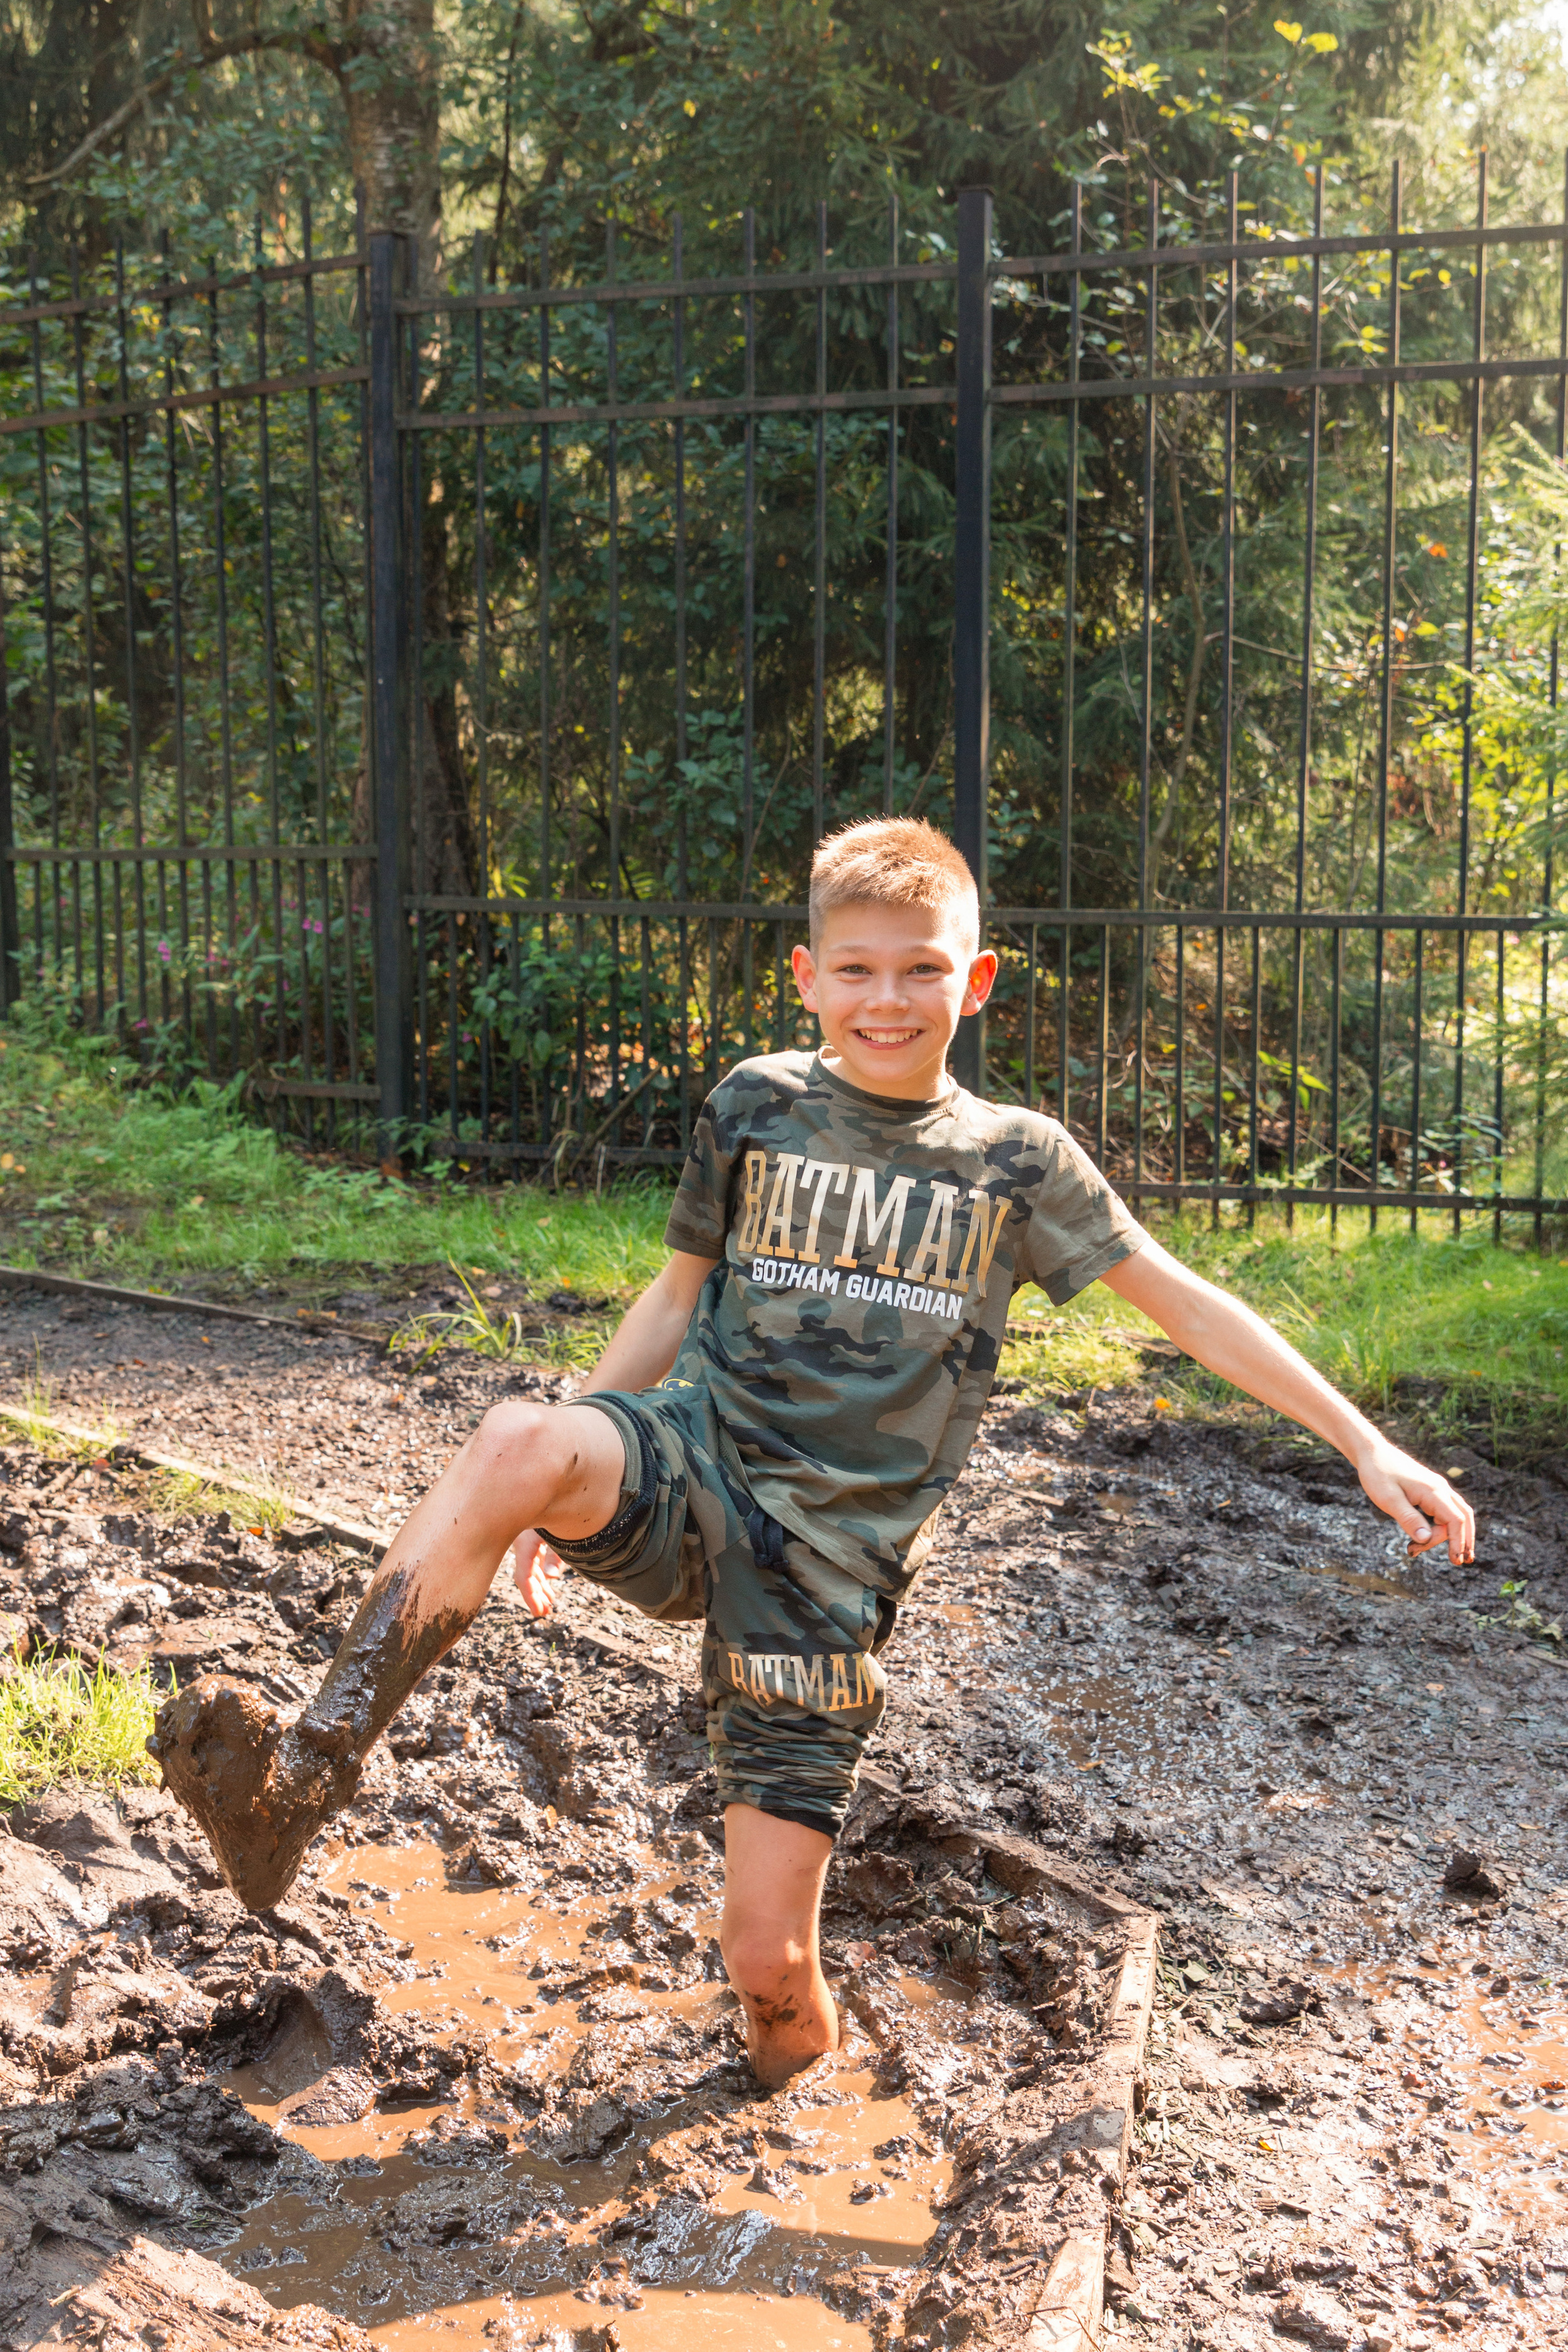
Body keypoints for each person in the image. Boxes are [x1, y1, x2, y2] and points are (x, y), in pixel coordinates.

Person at [151, 816, 1475, 2089]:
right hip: (690, 1468)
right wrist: (554, 1474)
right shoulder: (753, 1106)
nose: (885, 999)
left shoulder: (1019, 1163)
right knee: (507, 1438)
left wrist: (1361, 1443)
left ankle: (794, 2087)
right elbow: (671, 1301)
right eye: (854, 969)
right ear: (806, 978)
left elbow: (1181, 1301)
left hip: (821, 1574)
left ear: (978, 980)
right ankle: (299, 1783)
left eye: (920, 971)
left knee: (767, 1966)